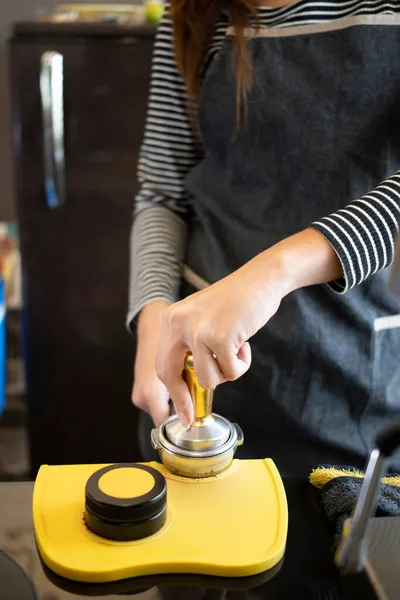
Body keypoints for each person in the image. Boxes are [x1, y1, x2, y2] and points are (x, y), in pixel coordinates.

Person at [128, 0, 400, 476]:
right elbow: (162, 192)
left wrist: (275, 272)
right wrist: (153, 318)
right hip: (202, 366)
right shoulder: (193, 14)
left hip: (354, 373)